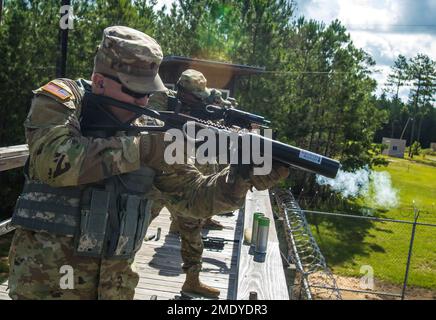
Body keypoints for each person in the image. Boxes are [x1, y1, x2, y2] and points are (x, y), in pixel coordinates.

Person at [8, 26, 289, 300]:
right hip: (44, 288)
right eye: (133, 91)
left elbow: (192, 197)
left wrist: (240, 178)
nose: (143, 100)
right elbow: (52, 161)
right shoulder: (62, 99)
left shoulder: (149, 126)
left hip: (114, 289)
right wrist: (142, 149)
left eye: (147, 91)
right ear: (99, 81)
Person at [147, 69, 236, 298]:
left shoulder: (200, 111)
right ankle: (118, 267)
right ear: (183, 93)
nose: (199, 100)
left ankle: (192, 281)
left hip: (181, 180)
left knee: (192, 232)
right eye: (196, 96)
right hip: (155, 180)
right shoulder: (162, 100)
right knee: (136, 224)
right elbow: (149, 119)